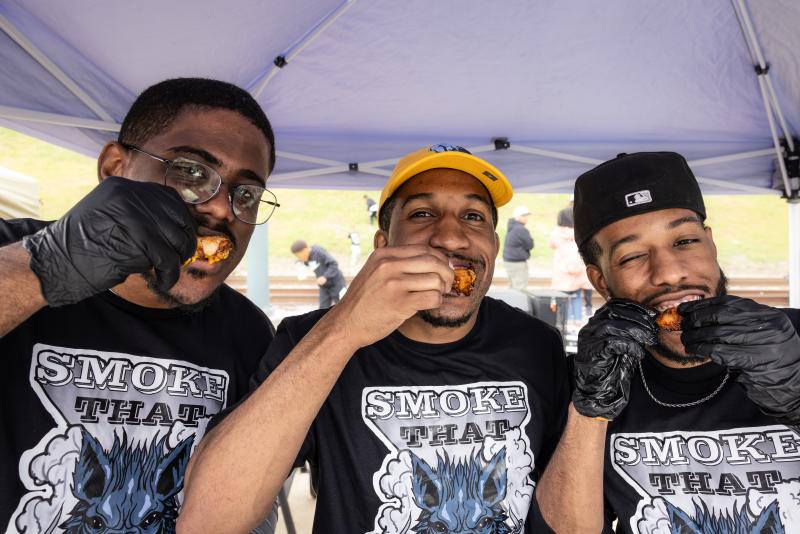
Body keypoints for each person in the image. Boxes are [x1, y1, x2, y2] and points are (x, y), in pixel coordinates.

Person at [179, 144, 570, 534]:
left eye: (473, 216)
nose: (451, 238)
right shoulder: (309, 339)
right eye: (422, 214)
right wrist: (345, 327)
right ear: (383, 245)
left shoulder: (537, 344)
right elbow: (210, 520)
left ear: (495, 248)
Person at [0, 78, 279, 533]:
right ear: (114, 168)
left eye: (245, 194)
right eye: (191, 173)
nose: (222, 210)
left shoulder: (246, 330)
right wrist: (46, 267)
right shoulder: (14, 251)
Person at [535, 152, 800, 533]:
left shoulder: (793, 339)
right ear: (601, 281)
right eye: (633, 256)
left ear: (710, 244)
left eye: (685, 240)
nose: (670, 273)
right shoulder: (588, 378)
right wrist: (589, 410)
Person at [548, 198, 593, 328]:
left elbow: (550, 245)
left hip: (562, 272)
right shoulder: (580, 232)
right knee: (577, 295)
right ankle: (578, 320)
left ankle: (565, 321)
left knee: (562, 298)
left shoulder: (556, 233)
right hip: (578, 271)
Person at [290, 240, 347, 308]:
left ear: (305, 250)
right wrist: (301, 264)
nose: (300, 258)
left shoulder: (319, 252)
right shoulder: (305, 258)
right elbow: (307, 263)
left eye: (300, 256)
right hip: (324, 286)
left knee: (343, 307)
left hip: (336, 283)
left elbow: (333, 264)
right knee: (322, 309)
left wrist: (325, 277)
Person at [503, 204, 534, 291]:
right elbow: (530, 245)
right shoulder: (521, 229)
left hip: (509, 261)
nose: (526, 218)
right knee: (520, 289)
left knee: (512, 287)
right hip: (518, 262)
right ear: (517, 217)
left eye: (526, 216)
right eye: (523, 216)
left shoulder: (512, 226)